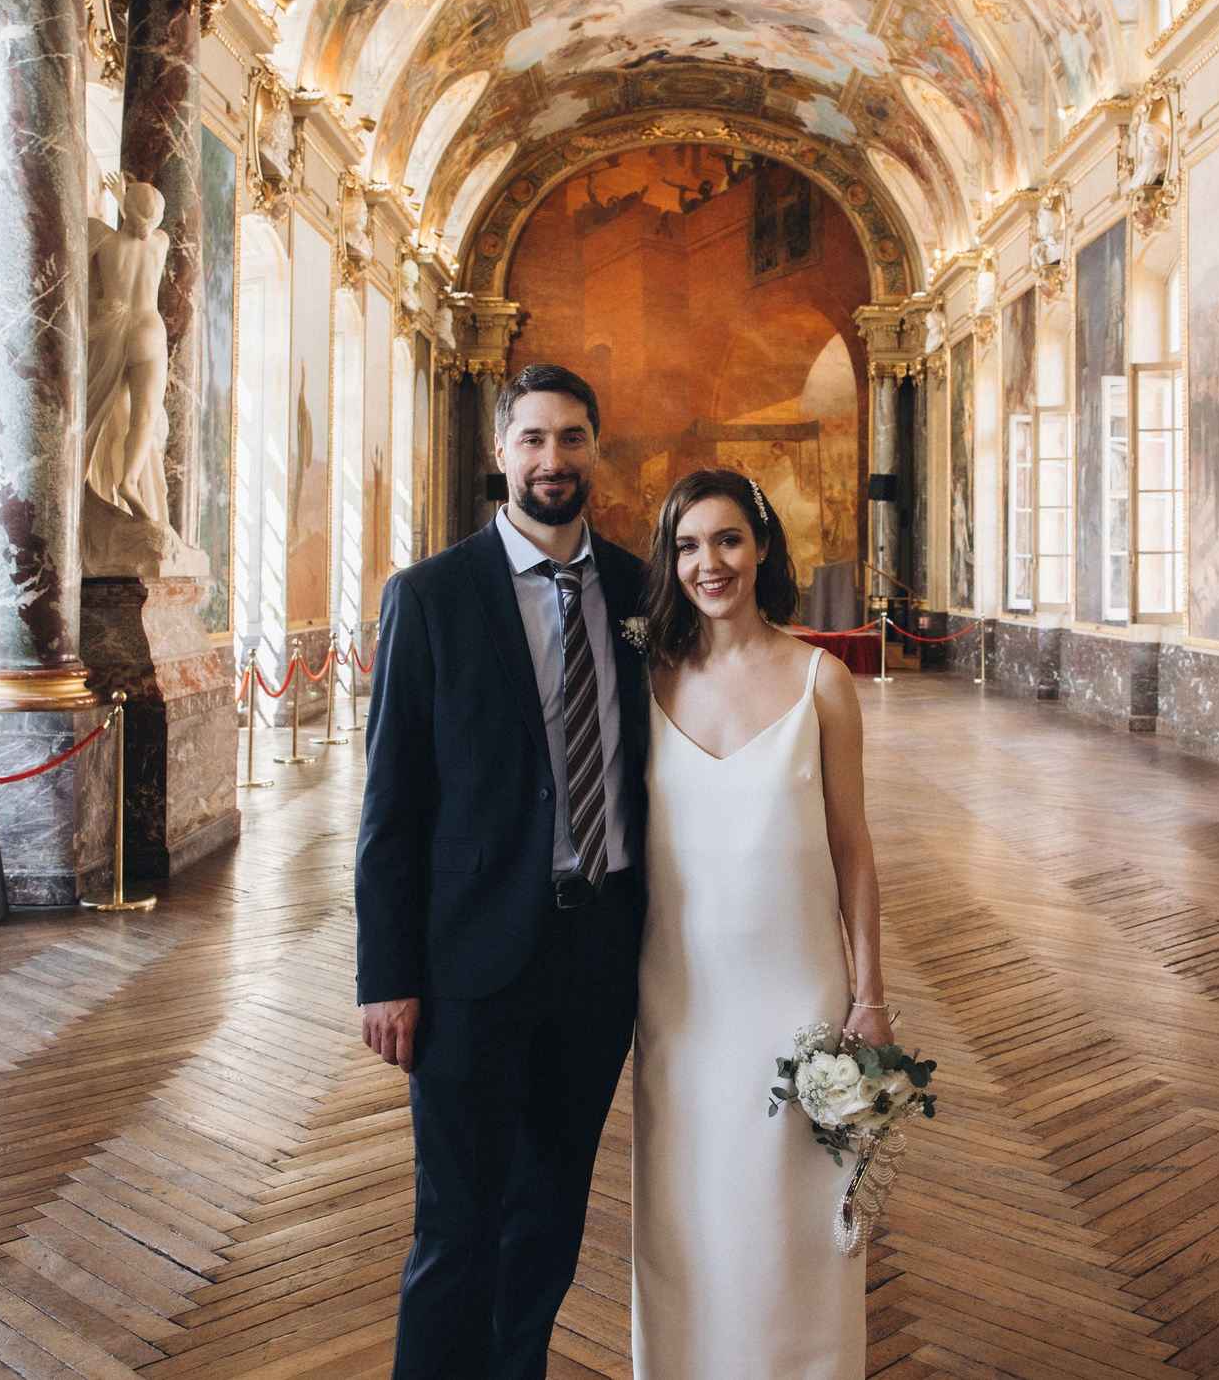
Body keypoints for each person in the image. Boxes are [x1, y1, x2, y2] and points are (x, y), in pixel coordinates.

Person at [357, 363, 651, 1380]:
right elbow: (391, 807)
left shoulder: (639, 593)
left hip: (599, 956)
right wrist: (385, 975)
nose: (552, 459)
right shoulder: (430, 597)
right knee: (455, 1221)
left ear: (594, 450)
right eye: (532, 439)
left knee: (550, 1210)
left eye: (571, 438)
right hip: (466, 963)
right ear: (500, 453)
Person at [632, 469, 887, 1379]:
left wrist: (870, 997)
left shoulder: (822, 681)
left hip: (798, 995)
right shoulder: (649, 681)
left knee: (793, 1222)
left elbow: (853, 848)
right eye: (690, 544)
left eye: (729, 539)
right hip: (682, 1003)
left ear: (763, 545)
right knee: (687, 1217)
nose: (711, 563)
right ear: (670, 560)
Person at [83, 175, 172, 523]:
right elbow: (146, 225)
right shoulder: (160, 243)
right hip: (149, 331)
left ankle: (96, 474)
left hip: (115, 331)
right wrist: (127, 202)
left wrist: (120, 198)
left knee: (101, 409)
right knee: (144, 417)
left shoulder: (104, 242)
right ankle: (129, 482)